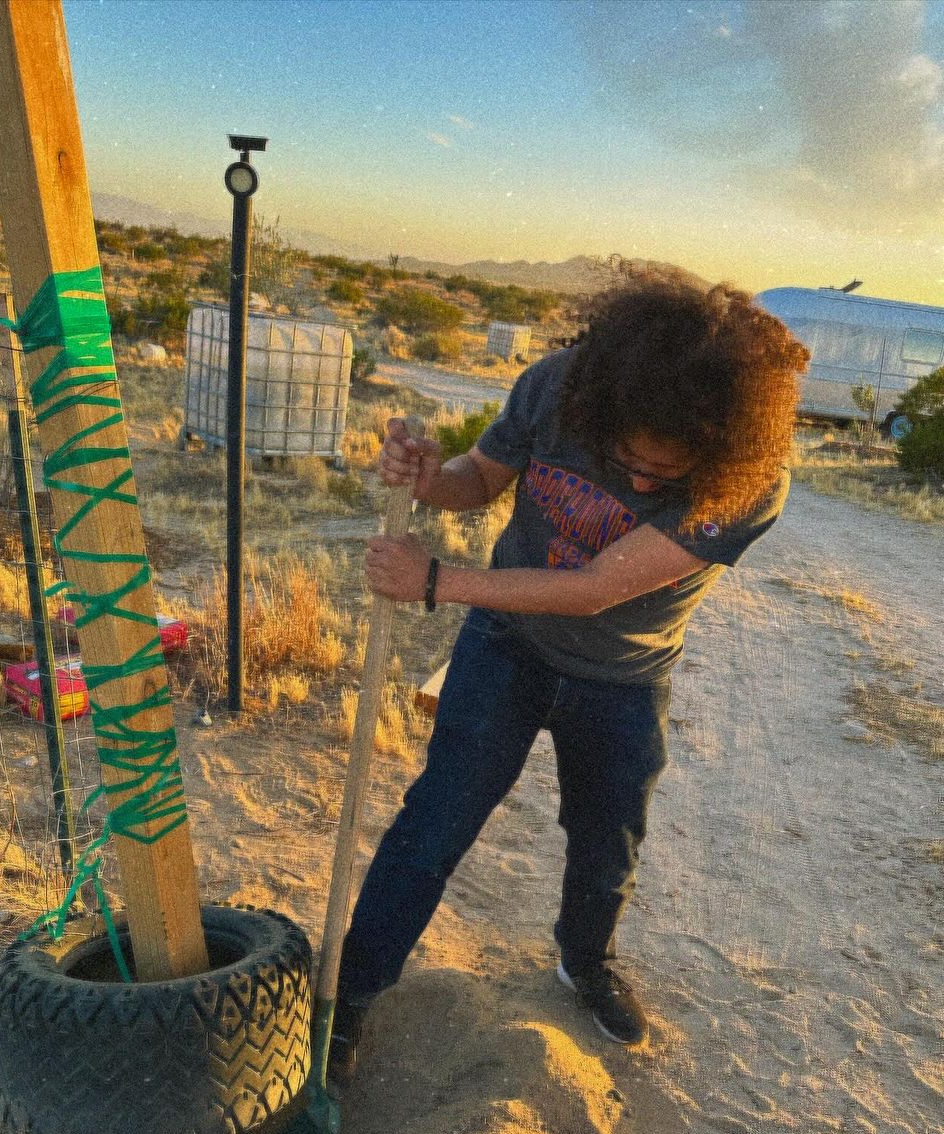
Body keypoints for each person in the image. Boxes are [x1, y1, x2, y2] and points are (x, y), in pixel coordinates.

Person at [329, 276, 808, 1085]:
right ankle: (349, 996)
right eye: (629, 461)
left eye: (667, 474)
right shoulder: (559, 385)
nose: (644, 484)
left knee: (606, 841)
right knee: (434, 823)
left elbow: (594, 588)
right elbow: (479, 480)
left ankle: (584, 961)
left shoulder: (751, 477)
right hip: (506, 647)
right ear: (603, 408)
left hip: (624, 678)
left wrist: (437, 581)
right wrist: (429, 477)